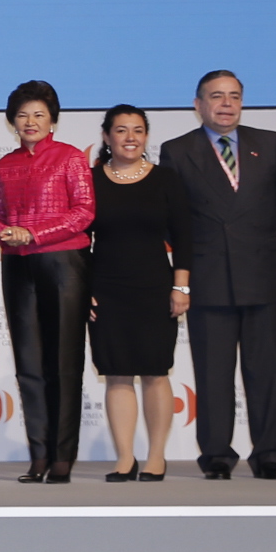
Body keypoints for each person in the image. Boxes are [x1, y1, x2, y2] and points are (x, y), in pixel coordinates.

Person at [159, 71, 276, 479]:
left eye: (234, 96)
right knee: (213, 373)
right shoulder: (178, 150)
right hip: (208, 275)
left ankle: (269, 455)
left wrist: (249, 237)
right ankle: (217, 455)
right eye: (217, 96)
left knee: (266, 372)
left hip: (260, 273)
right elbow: (172, 218)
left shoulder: (267, 143)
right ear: (198, 104)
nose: (226, 104)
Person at [0, 81, 94, 484]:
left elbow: (84, 212)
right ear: (12, 121)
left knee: (63, 362)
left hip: (63, 264)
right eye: (22, 115)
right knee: (29, 363)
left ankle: (62, 456)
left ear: (52, 121)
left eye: (39, 115)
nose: (30, 121)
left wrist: (33, 234)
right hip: (17, 266)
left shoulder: (70, 158)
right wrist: (3, 233)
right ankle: (39, 454)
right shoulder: (4, 165)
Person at [87, 105, 192, 484]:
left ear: (146, 136)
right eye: (121, 130)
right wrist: (84, 290)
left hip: (155, 289)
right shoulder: (90, 180)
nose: (130, 137)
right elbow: (79, 240)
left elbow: (184, 237)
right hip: (106, 290)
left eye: (137, 130)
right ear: (106, 137)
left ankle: (156, 457)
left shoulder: (165, 179)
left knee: (154, 372)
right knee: (117, 374)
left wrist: (181, 286)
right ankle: (125, 459)